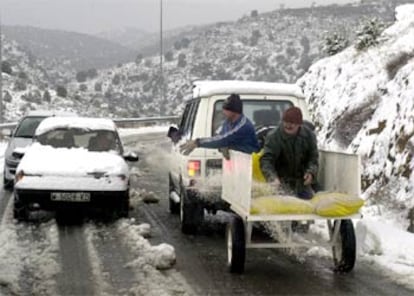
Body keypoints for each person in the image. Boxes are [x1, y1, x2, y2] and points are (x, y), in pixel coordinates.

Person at [260, 106, 318, 199]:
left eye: (292, 123)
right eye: (285, 122)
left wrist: (311, 173)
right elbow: (266, 160)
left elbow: (313, 158)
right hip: (280, 184)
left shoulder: (309, 136)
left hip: (301, 184)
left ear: (299, 124)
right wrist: (272, 178)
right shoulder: (274, 137)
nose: (288, 125)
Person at [180, 93, 260, 156]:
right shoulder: (228, 122)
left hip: (249, 163)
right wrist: (223, 146)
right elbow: (218, 135)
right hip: (235, 164)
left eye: (225, 110)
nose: (223, 112)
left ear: (233, 111)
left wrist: (198, 142)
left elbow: (223, 139)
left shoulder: (243, 126)